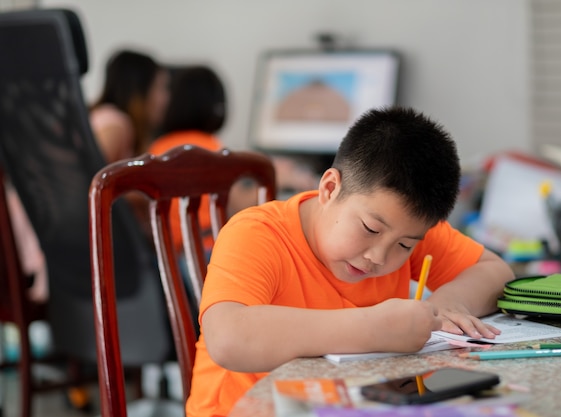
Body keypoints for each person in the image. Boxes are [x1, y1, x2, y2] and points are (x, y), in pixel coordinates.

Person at [185, 106, 515, 417]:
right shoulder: (258, 234)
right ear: (329, 188)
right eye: (370, 229)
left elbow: (496, 270)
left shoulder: (404, 223)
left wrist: (450, 303)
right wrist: (372, 329)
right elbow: (228, 339)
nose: (379, 256)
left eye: (403, 245)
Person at [148, 65, 259, 256]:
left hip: (171, 255)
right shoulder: (210, 148)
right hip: (205, 250)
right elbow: (242, 204)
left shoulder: (158, 147)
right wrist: (280, 178)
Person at [90, 49, 170, 163]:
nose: (166, 98)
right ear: (139, 90)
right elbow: (85, 177)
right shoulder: (115, 125)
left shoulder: (111, 118)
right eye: (160, 87)